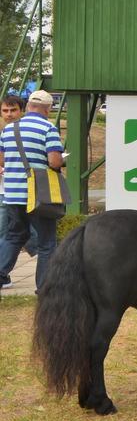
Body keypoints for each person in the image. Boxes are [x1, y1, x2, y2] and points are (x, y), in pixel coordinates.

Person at [0, 90, 64, 292]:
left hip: (12, 194)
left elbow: (2, 160)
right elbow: (54, 161)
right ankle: (44, 286)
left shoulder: (9, 130)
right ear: (48, 108)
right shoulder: (48, 128)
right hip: (38, 195)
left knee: (14, 236)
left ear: (27, 107)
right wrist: (61, 160)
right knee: (46, 243)